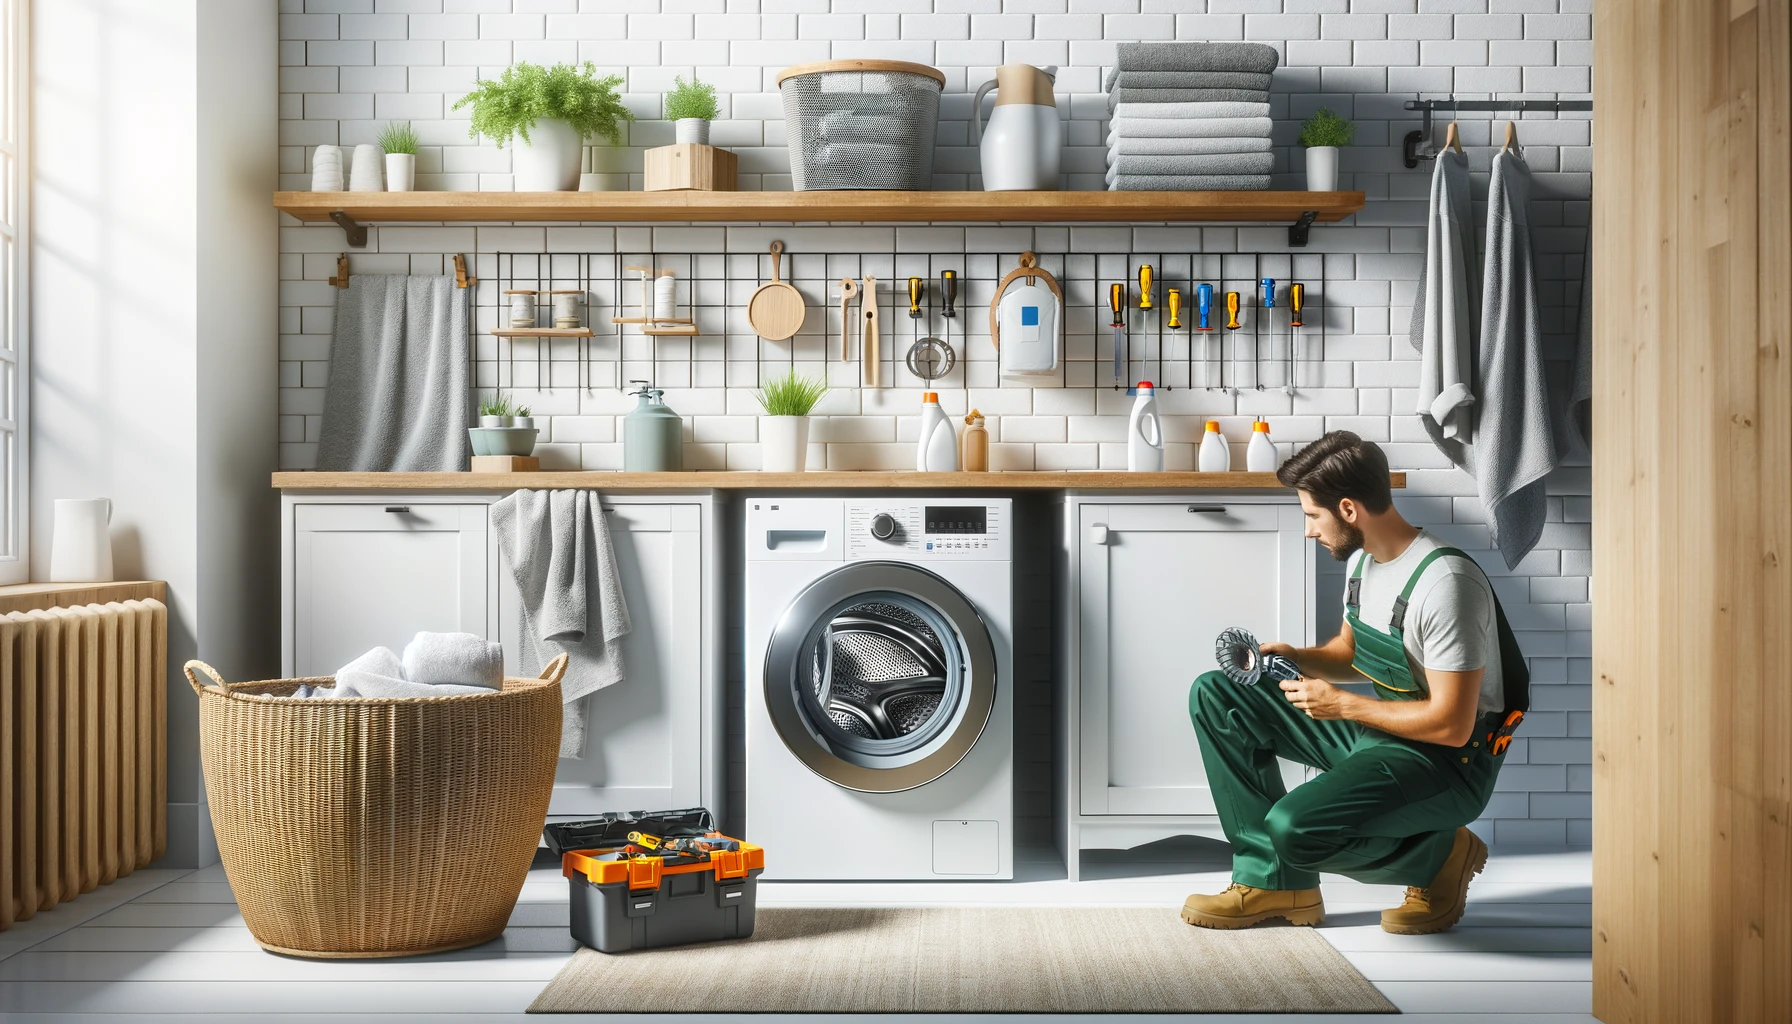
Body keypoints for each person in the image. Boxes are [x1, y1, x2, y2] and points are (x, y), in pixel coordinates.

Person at [1182, 431, 1529, 935]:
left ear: (1347, 509)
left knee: (1294, 827)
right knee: (1217, 694)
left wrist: (1342, 705)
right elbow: (1351, 651)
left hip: (1448, 765)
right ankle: (1275, 882)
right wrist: (1298, 656)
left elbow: (1453, 725)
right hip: (1386, 737)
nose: (1308, 531)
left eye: (1311, 516)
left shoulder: (1445, 584)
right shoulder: (1367, 560)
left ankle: (1441, 856)